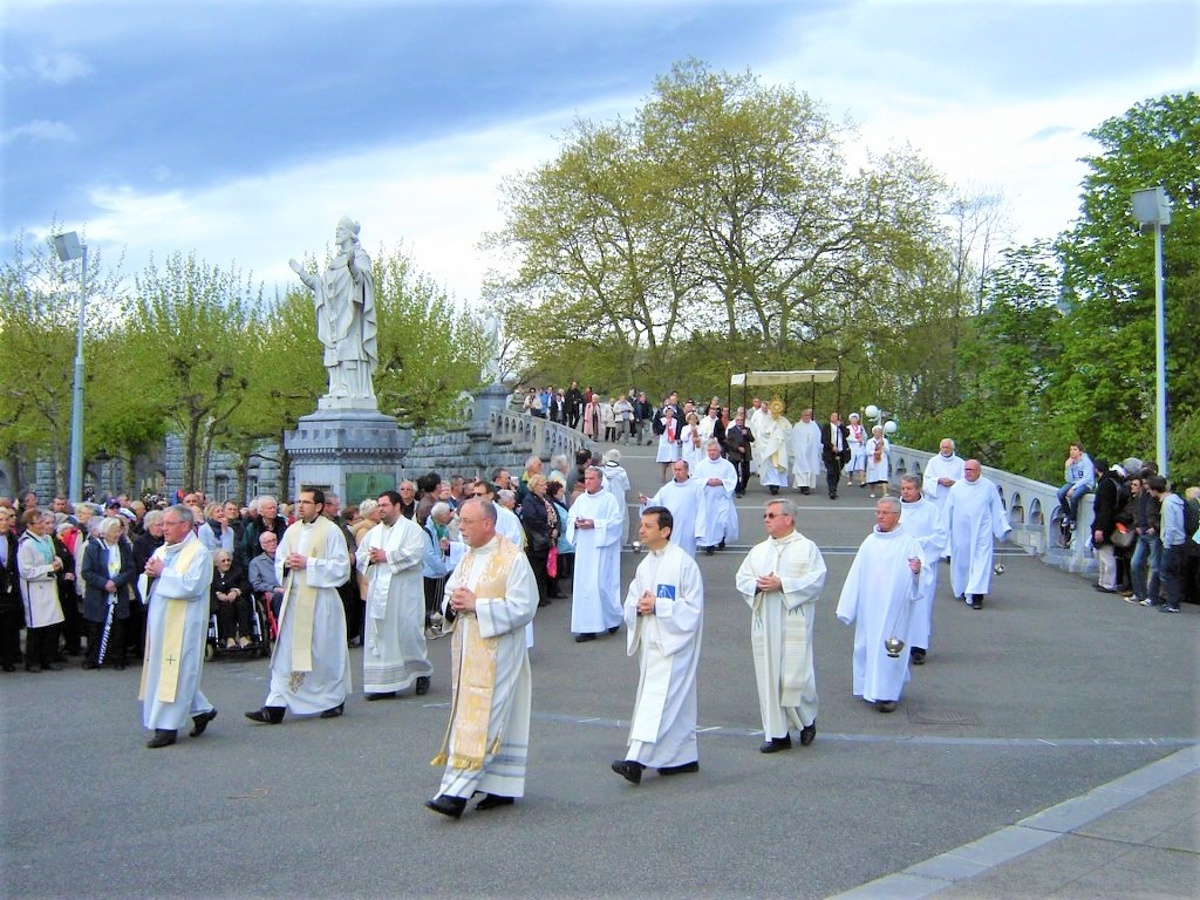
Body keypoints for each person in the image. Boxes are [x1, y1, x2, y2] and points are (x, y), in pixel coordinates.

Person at [426, 498, 537, 819]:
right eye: (459, 521)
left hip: (499, 651)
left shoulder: (513, 560)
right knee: (491, 717)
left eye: (466, 522)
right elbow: (451, 594)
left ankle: (455, 792)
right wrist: (453, 604)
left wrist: (478, 606)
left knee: (485, 717)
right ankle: (500, 785)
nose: (459, 527)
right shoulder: (469, 557)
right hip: (468, 649)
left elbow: (524, 607)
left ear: (487, 524)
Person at [611, 507, 705, 785]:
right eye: (641, 525)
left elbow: (693, 609)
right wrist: (638, 608)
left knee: (658, 702)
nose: (641, 530)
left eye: (648, 526)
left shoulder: (684, 564)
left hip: (674, 644)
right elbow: (631, 600)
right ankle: (682, 757)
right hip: (651, 643)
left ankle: (636, 760)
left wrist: (660, 606)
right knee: (675, 702)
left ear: (665, 531)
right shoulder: (645, 565)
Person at [246, 489, 352, 724]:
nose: (300, 506)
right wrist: (286, 565)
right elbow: (279, 561)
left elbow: (342, 568)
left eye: (306, 502)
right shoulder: (292, 530)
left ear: (319, 506)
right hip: (294, 600)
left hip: (321, 601)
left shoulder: (331, 531)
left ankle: (332, 699)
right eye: (298, 501)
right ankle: (275, 706)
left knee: (323, 652)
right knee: (285, 653)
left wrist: (309, 563)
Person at [735, 499, 826, 752]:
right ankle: (777, 735)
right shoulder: (759, 551)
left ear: (789, 519)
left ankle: (807, 720)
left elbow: (816, 580)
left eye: (772, 515)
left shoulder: (806, 548)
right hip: (766, 621)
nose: (766, 519)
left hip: (793, 620)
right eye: (765, 515)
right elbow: (742, 578)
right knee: (769, 677)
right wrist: (757, 584)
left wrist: (783, 585)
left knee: (796, 676)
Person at [836, 498, 928, 713]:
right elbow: (855, 574)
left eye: (885, 512)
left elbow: (923, 574)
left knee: (890, 648)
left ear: (897, 516)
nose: (880, 516)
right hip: (870, 605)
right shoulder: (870, 541)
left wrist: (917, 571)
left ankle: (887, 695)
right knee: (867, 646)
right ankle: (868, 687)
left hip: (895, 607)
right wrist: (848, 606)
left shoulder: (909, 543)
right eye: (878, 512)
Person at [139, 504, 217, 749]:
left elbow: (193, 587)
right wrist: (150, 575)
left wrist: (164, 573)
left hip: (185, 623)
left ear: (185, 525)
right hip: (161, 620)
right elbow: (149, 581)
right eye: (162, 524)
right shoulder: (162, 550)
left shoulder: (199, 553)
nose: (163, 529)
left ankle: (167, 727)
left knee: (177, 670)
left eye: (169, 524)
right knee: (167, 672)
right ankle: (202, 710)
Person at [289, 216, 378, 401]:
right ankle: (337, 388)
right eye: (337, 229)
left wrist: (352, 265)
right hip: (334, 317)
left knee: (349, 352)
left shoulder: (359, 256)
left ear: (351, 234)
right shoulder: (334, 263)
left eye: (341, 229)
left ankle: (354, 391)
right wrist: (302, 273)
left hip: (352, 315)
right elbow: (320, 286)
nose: (337, 232)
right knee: (333, 352)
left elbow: (362, 280)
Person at [355, 490, 431, 700]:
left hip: (404, 592)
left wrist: (386, 556)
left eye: (385, 505)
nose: (381, 509)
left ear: (397, 506)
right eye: (379, 505)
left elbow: (416, 554)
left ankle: (422, 672)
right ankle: (385, 684)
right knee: (382, 637)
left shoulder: (412, 530)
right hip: (379, 592)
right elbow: (360, 555)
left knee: (408, 634)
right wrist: (370, 558)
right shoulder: (374, 532)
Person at [942, 460, 1012, 609]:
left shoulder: (988, 487)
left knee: (981, 561)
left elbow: (997, 509)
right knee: (962, 562)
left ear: (979, 471)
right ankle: (963, 588)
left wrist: (1003, 528)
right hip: (961, 532)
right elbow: (947, 510)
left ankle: (977, 595)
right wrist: (942, 532)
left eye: (971, 470)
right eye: (966, 469)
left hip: (982, 531)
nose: (968, 472)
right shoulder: (957, 488)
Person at [566, 467, 624, 642]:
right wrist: (576, 524)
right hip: (584, 550)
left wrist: (595, 524)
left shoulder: (609, 499)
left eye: (592, 478)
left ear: (600, 481)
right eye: (586, 478)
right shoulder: (581, 500)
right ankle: (587, 628)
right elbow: (570, 518)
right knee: (584, 588)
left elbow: (616, 522)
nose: (588, 481)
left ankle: (612, 619)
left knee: (600, 587)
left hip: (601, 551)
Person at [898, 475, 943, 665]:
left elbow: (940, 536)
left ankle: (918, 646)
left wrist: (917, 544)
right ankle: (898, 642)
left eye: (909, 488)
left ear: (918, 490)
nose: (905, 492)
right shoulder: (895, 509)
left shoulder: (931, 510)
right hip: (899, 564)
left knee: (921, 605)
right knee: (899, 604)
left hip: (923, 565)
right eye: (902, 488)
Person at [17, 510, 65, 672]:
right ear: (29, 525)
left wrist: (57, 562)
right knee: (37, 627)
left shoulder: (47, 539)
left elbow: (53, 556)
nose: (43, 526)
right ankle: (32, 660)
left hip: (50, 587)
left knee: (52, 625)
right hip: (35, 590)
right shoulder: (26, 544)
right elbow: (25, 571)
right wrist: (49, 568)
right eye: (39, 523)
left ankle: (48, 658)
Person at [639, 460, 702, 558]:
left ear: (687, 470)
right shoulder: (667, 488)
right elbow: (656, 504)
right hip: (671, 528)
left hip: (688, 529)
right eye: (675, 470)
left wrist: (700, 530)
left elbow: (702, 510)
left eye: (680, 470)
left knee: (686, 556)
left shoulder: (696, 488)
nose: (677, 472)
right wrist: (647, 502)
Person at [519, 475, 559, 610]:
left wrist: (556, 529)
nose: (545, 487)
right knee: (539, 569)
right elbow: (532, 519)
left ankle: (551, 591)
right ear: (534, 486)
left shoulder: (546, 499)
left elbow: (555, 514)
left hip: (550, 537)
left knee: (550, 564)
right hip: (538, 539)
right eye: (542, 485)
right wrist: (548, 531)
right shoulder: (529, 501)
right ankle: (540, 596)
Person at [1147, 476, 1186, 614]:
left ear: (1155, 490)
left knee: (1165, 572)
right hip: (1179, 541)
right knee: (1172, 572)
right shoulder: (1176, 501)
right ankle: (1173, 601)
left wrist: (1166, 543)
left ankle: (1172, 603)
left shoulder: (1167, 504)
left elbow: (1170, 527)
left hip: (1172, 542)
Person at [693, 440, 739, 555]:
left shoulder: (727, 465)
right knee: (709, 522)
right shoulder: (701, 465)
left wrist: (721, 481)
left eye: (714, 450)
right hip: (707, 499)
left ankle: (721, 538)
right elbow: (695, 480)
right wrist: (707, 481)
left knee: (722, 521)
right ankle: (709, 544)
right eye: (710, 450)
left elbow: (733, 479)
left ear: (719, 451)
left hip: (722, 498)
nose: (712, 453)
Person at [210, 549, 253, 650]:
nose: (227, 563)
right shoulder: (211, 573)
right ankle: (229, 638)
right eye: (223, 561)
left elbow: (246, 584)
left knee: (242, 604)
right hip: (219, 602)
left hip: (236, 598)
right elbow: (208, 588)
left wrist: (236, 591)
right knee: (226, 607)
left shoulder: (237, 570)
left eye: (228, 560)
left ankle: (243, 636)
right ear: (216, 563)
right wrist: (218, 594)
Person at [1090, 460, 1121, 594]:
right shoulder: (1113, 482)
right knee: (1102, 553)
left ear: (1097, 469)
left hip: (1106, 523)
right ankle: (1103, 581)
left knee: (1106, 554)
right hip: (1110, 522)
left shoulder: (1106, 485)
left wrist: (1100, 528)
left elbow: (1105, 508)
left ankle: (1108, 583)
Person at [0, 508, 22, 672]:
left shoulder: (13, 540)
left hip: (9, 589)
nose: (4, 523)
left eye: (6, 519)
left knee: (8, 626)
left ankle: (8, 659)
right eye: (1, 519)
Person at [1056, 442, 1095, 533]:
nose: (1072, 452)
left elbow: (1087, 478)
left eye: (1075, 449)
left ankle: (1073, 519)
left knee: (1074, 496)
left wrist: (1074, 488)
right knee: (1060, 493)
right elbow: (1069, 480)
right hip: (1073, 483)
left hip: (1086, 484)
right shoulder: (1071, 461)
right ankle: (1068, 514)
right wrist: (1067, 468)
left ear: (1080, 452)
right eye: (1071, 449)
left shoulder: (1086, 461)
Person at [922, 439, 965, 520]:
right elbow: (927, 480)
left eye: (947, 448)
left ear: (952, 448)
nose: (945, 450)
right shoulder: (933, 461)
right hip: (937, 498)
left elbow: (965, 482)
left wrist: (954, 482)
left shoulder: (960, 463)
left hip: (952, 497)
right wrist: (938, 480)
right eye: (943, 447)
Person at [756, 398, 791, 495]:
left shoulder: (783, 420)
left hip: (780, 448)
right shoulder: (766, 420)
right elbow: (762, 433)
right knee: (771, 466)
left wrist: (782, 432)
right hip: (770, 448)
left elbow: (789, 431)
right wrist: (771, 430)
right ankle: (772, 485)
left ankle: (777, 484)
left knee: (779, 465)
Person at [249, 530, 285, 621]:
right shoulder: (256, 562)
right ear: (263, 546)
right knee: (279, 596)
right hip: (272, 594)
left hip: (288, 589)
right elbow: (256, 585)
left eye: (274, 540)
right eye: (268, 541)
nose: (272, 543)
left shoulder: (285, 558)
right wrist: (274, 588)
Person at [601, 448, 632, 542]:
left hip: (604, 498)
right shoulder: (621, 472)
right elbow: (626, 486)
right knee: (620, 520)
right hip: (619, 499)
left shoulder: (602, 471)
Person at [789, 408, 822, 495]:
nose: (807, 417)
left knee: (810, 468)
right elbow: (793, 439)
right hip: (800, 451)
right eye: (805, 415)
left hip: (811, 452)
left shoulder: (814, 426)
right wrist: (793, 450)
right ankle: (803, 486)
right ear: (802, 416)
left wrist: (818, 448)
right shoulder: (797, 426)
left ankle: (808, 484)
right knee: (801, 468)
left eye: (808, 415)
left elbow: (818, 438)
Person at [820, 412, 851, 500]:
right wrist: (832, 446)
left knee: (837, 472)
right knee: (831, 472)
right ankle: (831, 490)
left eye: (836, 416)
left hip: (841, 453)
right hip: (830, 453)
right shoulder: (826, 427)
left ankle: (834, 488)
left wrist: (840, 426)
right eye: (832, 416)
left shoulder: (841, 427)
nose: (834, 417)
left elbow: (847, 434)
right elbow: (824, 439)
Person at [723, 408, 753, 497]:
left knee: (746, 472)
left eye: (741, 420)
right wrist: (738, 447)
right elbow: (729, 441)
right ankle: (738, 490)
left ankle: (743, 486)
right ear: (736, 421)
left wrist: (746, 434)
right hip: (734, 453)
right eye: (738, 420)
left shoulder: (747, 429)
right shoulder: (731, 430)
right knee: (735, 472)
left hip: (745, 454)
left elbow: (752, 439)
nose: (740, 421)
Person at [654, 405, 682, 483]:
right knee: (664, 460)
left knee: (673, 460)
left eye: (671, 412)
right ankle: (663, 475)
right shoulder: (662, 420)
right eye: (668, 412)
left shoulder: (675, 421)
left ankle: (675, 476)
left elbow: (678, 430)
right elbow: (659, 430)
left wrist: (677, 438)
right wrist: (665, 424)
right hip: (664, 442)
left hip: (673, 442)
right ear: (665, 412)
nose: (670, 413)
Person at [864, 425, 890, 498]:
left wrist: (883, 446)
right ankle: (872, 492)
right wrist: (875, 452)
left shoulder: (884, 441)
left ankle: (885, 492)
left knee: (883, 477)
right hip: (873, 461)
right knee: (873, 477)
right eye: (876, 432)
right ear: (874, 433)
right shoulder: (870, 441)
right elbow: (867, 451)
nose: (878, 433)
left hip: (882, 461)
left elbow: (888, 451)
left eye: (879, 432)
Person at [845, 412, 868, 487]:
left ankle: (862, 481)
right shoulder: (848, 428)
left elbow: (865, 436)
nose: (854, 420)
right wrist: (855, 440)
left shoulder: (861, 427)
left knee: (861, 463)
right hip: (852, 447)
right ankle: (850, 479)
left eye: (855, 418)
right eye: (853, 419)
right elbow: (847, 438)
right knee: (851, 464)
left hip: (860, 447)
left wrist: (863, 440)